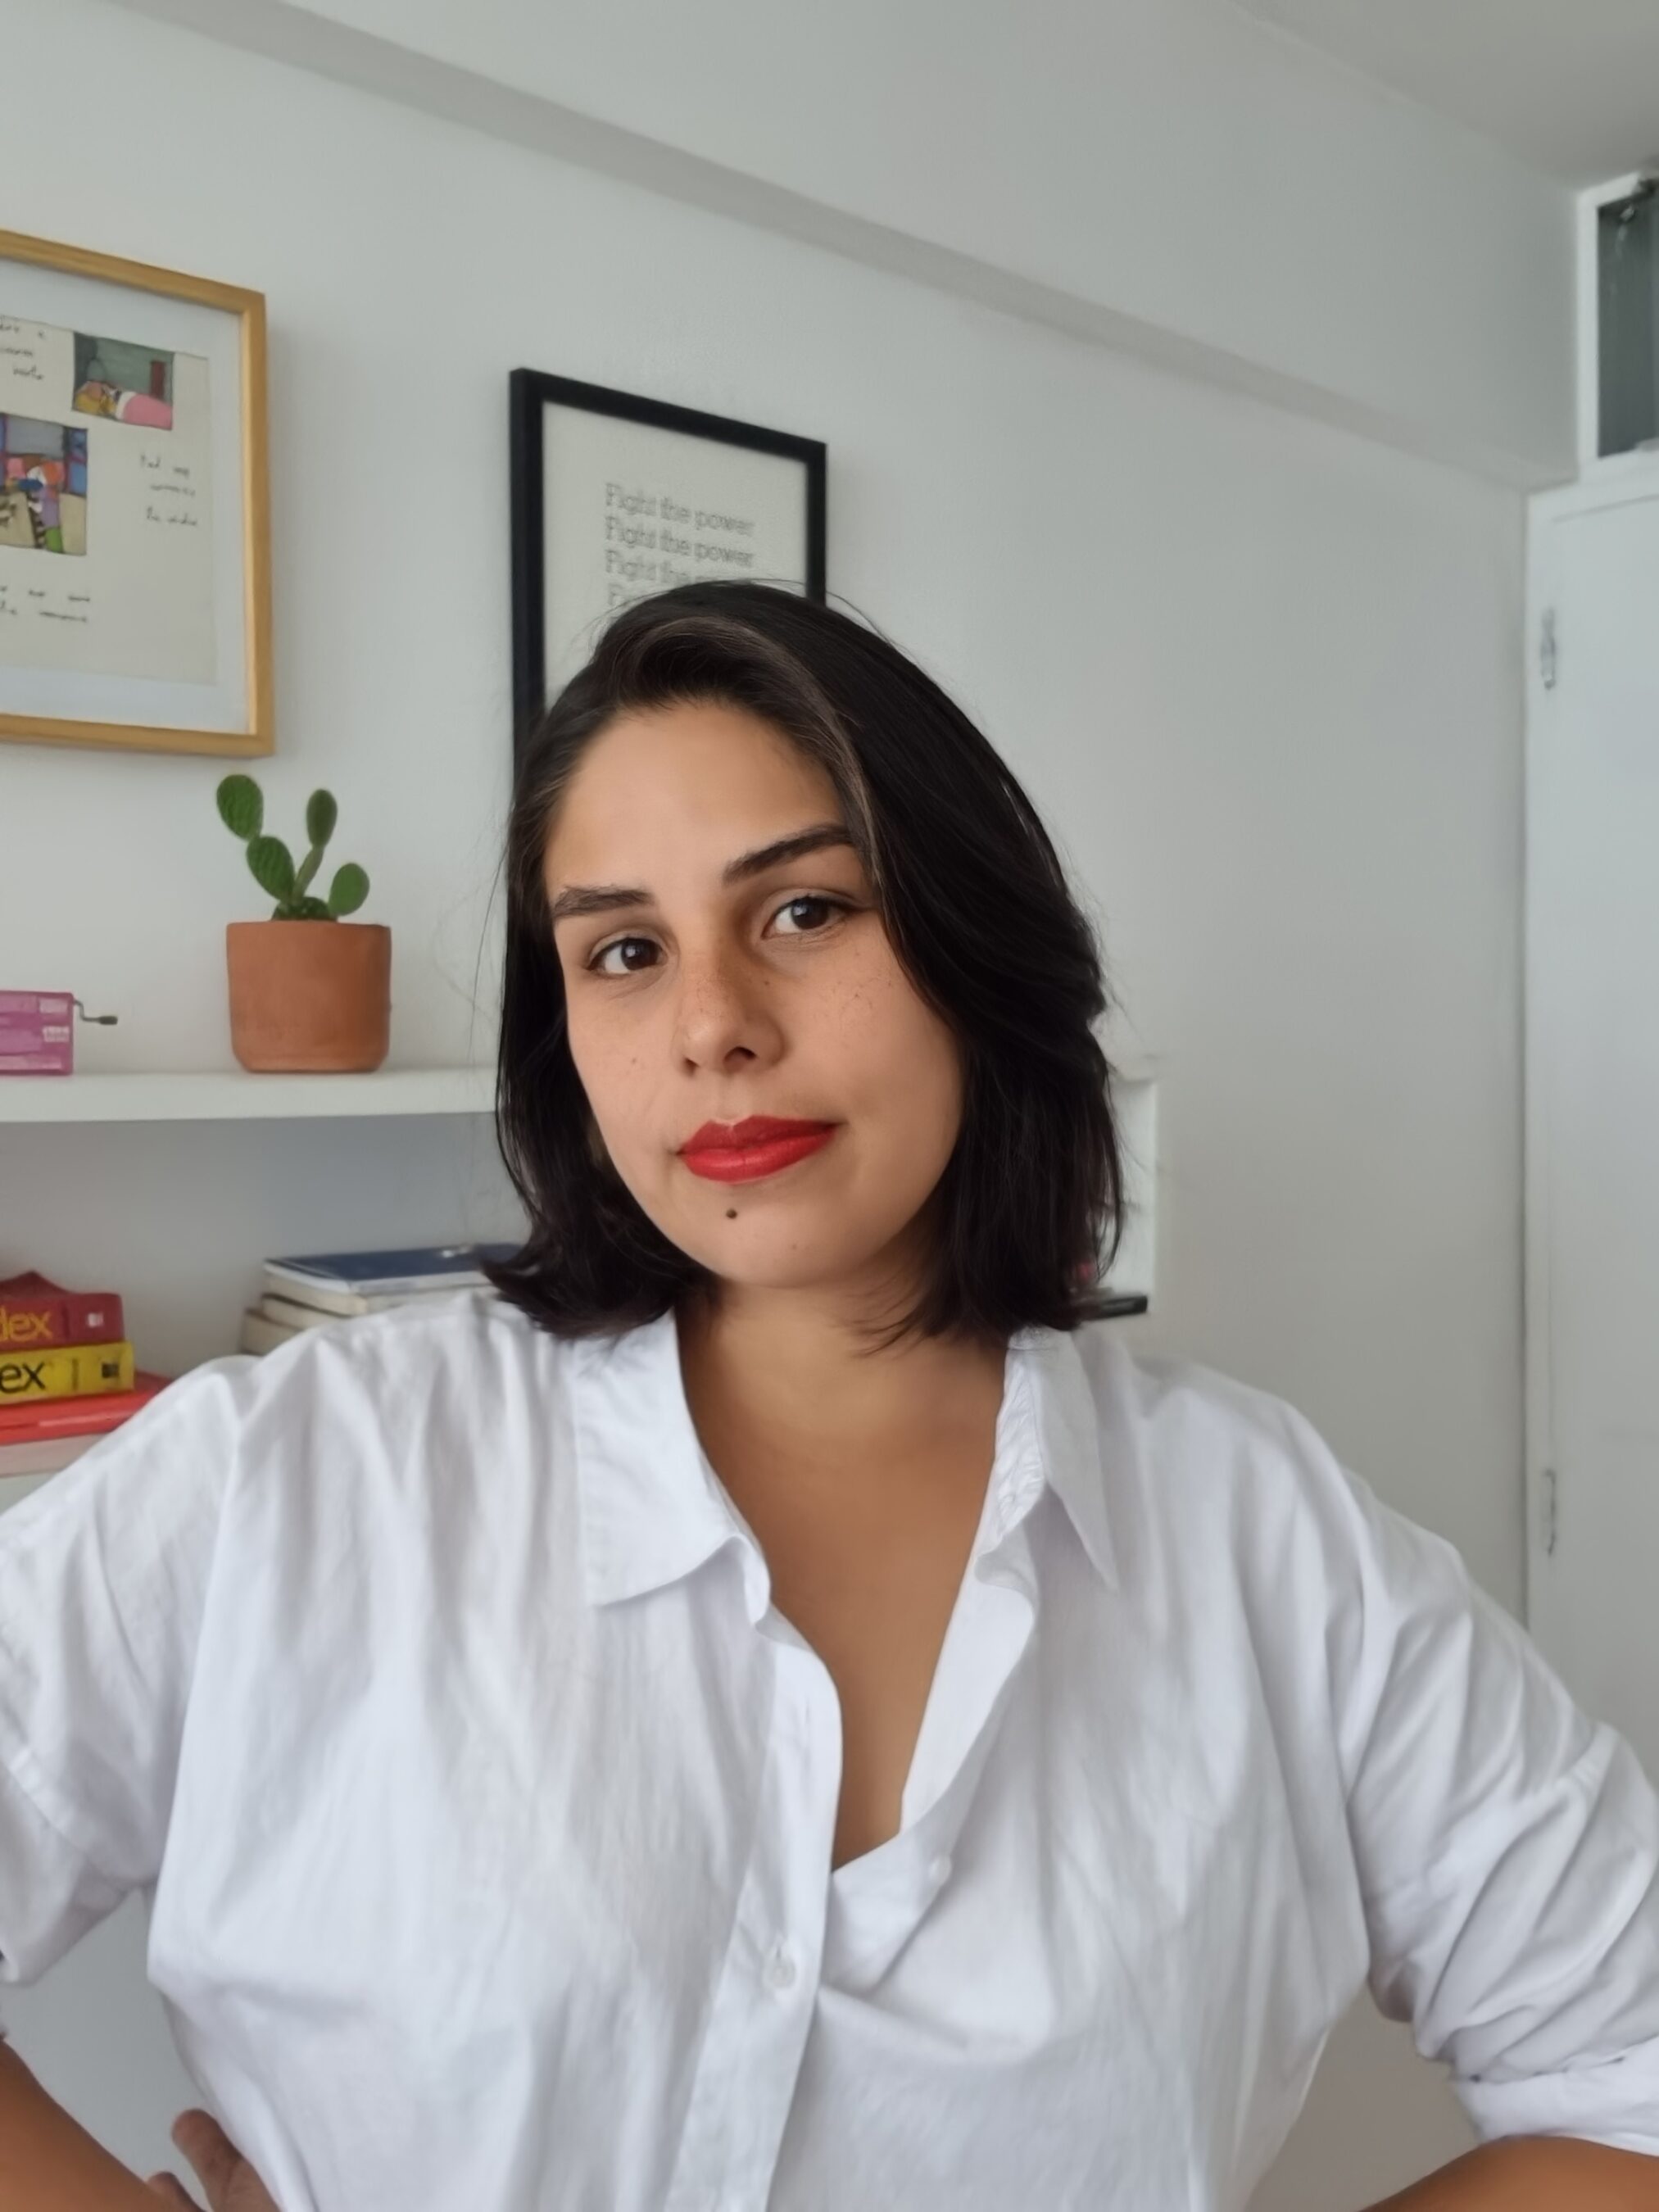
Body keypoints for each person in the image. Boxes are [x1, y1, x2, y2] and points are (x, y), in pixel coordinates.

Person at [2, 581, 1657, 2212]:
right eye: (625, 951)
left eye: (804, 912)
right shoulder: (299, 1470)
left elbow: (1629, 2084)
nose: (713, 1025)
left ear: (968, 943)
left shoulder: (1266, 1541)